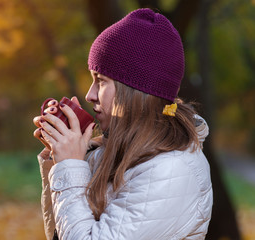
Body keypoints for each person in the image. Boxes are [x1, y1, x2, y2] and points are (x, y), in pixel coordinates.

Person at [32, 8, 213, 240]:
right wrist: (56, 160)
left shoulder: (170, 170)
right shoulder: (107, 152)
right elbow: (61, 233)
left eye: (101, 81)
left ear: (135, 91)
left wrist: (69, 167)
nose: (90, 95)